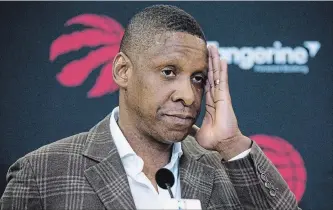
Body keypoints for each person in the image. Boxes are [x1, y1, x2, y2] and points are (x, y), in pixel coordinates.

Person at [0, 4, 300, 210]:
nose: (188, 95)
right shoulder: (41, 174)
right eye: (168, 71)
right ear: (122, 71)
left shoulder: (228, 169)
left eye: (197, 78)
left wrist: (232, 144)